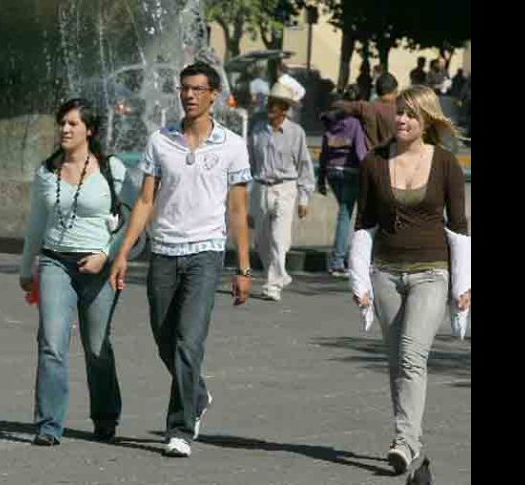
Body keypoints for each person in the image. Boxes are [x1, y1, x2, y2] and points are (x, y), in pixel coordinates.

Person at [109, 62, 253, 457]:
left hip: (206, 253)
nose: (189, 95)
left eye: (197, 89)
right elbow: (145, 201)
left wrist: (243, 268)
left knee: (189, 342)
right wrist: (123, 253)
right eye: (184, 88)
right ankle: (197, 394)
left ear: (213, 95)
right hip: (163, 252)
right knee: (164, 338)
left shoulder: (232, 145)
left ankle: (180, 429)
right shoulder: (161, 141)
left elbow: (238, 210)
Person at [351, 85, 470, 474]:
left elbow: (459, 228)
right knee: (397, 362)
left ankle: (404, 440)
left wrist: (463, 285)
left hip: (431, 272)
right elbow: (364, 224)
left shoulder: (446, 163)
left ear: (427, 120)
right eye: (399, 112)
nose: (401, 119)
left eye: (411, 114)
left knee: (411, 355)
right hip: (386, 273)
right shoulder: (373, 162)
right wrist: (360, 282)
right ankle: (409, 437)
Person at [19, 98, 128, 446]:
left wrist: (106, 255)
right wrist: (26, 267)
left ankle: (106, 417)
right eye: (62, 123)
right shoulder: (46, 171)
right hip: (55, 261)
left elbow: (130, 221)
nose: (65, 129)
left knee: (97, 347)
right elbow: (37, 222)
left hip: (99, 267)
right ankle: (48, 425)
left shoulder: (112, 169)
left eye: (73, 124)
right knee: (52, 343)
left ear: (89, 130)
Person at [248, 83, 316, 301]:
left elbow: (305, 166)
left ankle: (273, 285)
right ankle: (280, 273)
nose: (270, 108)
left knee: (279, 238)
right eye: (270, 103)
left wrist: (304, 198)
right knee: (261, 241)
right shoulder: (257, 130)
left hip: (285, 187)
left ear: (285, 109)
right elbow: (249, 164)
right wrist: (246, 198)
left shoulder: (296, 133)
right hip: (261, 187)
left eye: (276, 105)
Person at [317, 85, 368, 277]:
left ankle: (341, 257)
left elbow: (323, 153)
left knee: (344, 213)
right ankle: (338, 261)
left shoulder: (331, 123)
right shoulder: (355, 123)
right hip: (350, 171)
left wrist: (321, 179)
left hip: (332, 172)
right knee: (346, 214)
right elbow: (361, 152)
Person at [333, 72, 399, 149]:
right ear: (395, 90)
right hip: (395, 154)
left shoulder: (366, 107)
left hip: (370, 154)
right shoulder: (401, 111)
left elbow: (339, 105)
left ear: (377, 91)